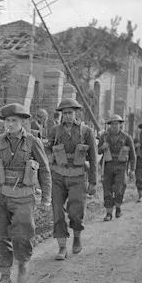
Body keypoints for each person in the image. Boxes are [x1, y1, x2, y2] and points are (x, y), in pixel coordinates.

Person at [0, 103, 51, 283]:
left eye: (14, 121)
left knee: (22, 234)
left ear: (23, 122)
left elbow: (45, 170)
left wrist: (46, 198)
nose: (10, 124)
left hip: (24, 196)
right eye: (7, 120)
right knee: (1, 236)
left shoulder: (33, 142)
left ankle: (23, 263)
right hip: (0, 195)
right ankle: (5, 276)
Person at [45, 98, 98, 259]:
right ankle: (62, 247)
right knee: (58, 212)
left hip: (78, 177)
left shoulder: (86, 131)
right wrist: (49, 156)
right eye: (64, 113)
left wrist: (93, 182)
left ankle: (77, 237)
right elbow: (47, 148)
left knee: (76, 211)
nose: (67, 116)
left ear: (76, 113)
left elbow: (93, 157)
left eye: (70, 113)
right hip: (58, 176)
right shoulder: (55, 131)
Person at [97, 114, 136, 221]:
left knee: (120, 189)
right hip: (107, 166)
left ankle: (118, 207)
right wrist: (102, 147)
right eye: (112, 124)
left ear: (120, 125)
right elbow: (98, 151)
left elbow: (132, 154)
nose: (114, 126)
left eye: (116, 124)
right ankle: (108, 213)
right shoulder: (104, 137)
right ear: (109, 125)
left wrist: (132, 169)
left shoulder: (126, 138)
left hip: (121, 166)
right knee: (107, 190)